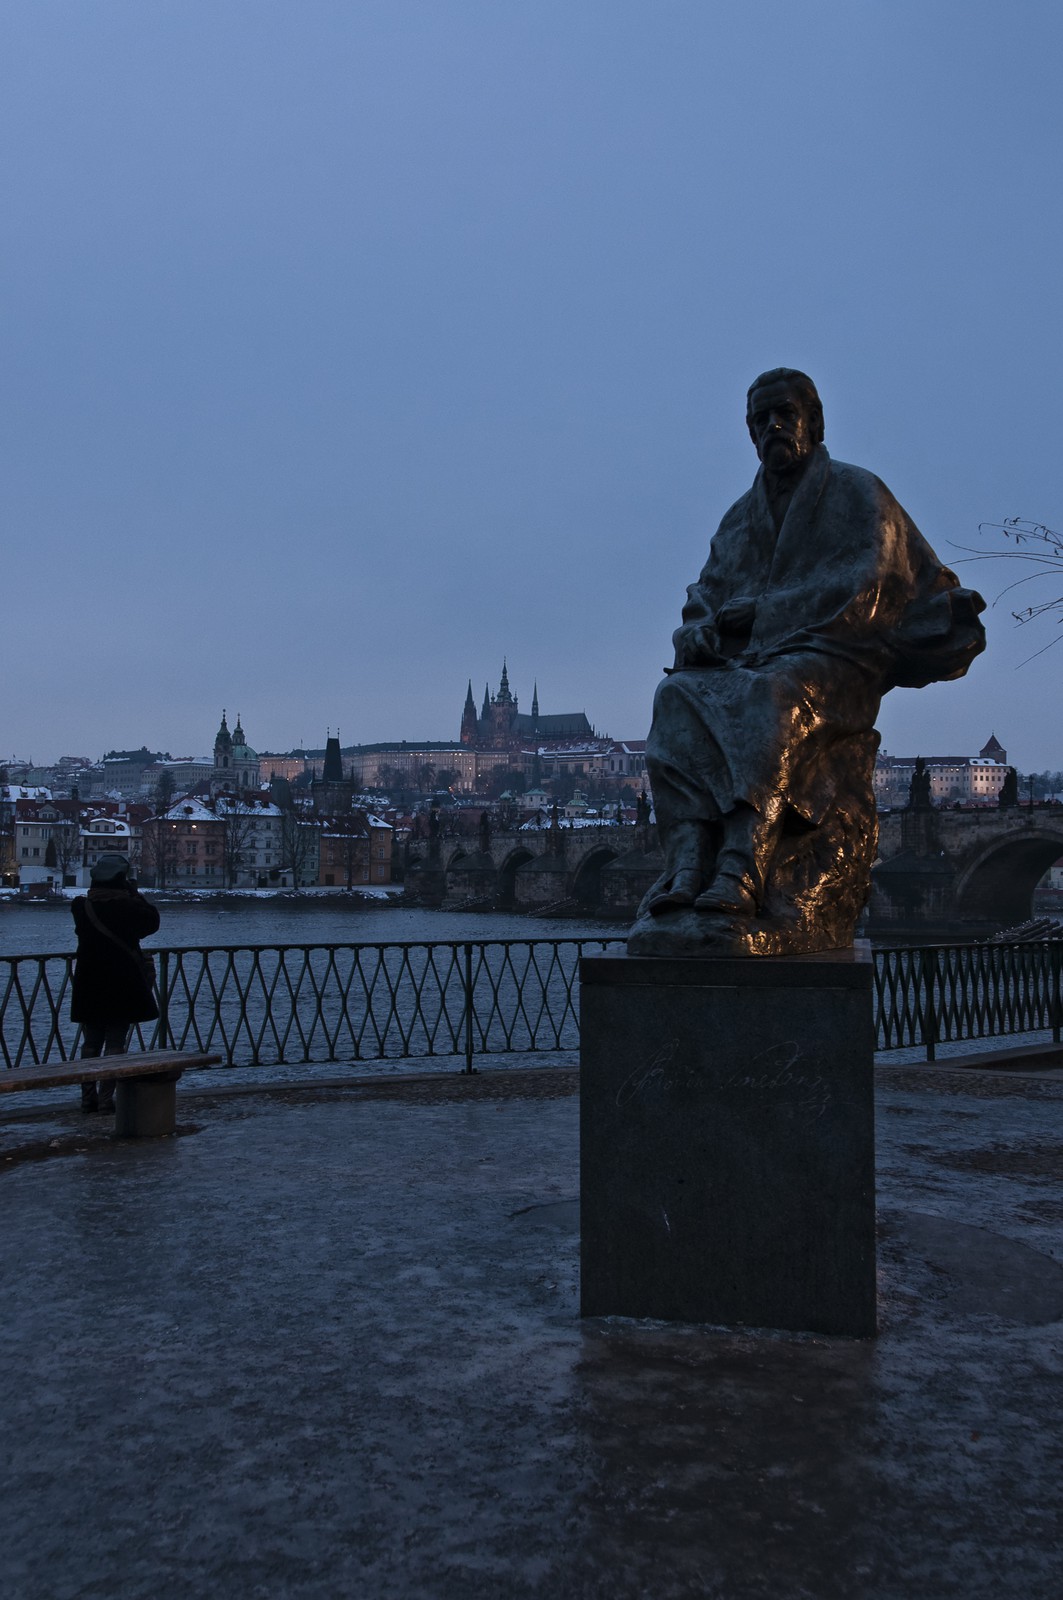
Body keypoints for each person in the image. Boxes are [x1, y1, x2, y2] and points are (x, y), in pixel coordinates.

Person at [629, 369, 986, 957]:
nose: (771, 428)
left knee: (772, 693)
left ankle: (742, 867)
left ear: (813, 423)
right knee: (674, 696)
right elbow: (706, 592)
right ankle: (688, 861)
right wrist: (694, 631)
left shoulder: (858, 492)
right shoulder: (740, 517)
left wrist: (766, 612)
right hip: (751, 662)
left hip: (838, 660)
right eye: (758, 420)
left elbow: (867, 585)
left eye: (783, 414)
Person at [70, 852, 161, 1113]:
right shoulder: (128, 908)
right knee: (115, 1041)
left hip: (89, 981)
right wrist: (134, 893)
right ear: (121, 880)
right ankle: (106, 1098)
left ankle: (88, 1097)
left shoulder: (81, 907)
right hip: (121, 981)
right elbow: (152, 921)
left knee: (91, 1041)